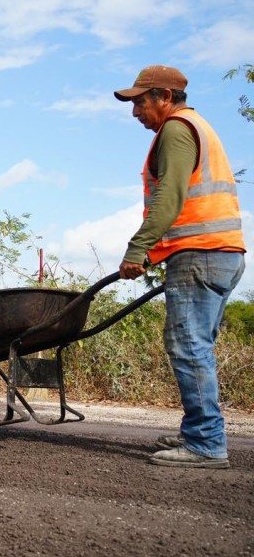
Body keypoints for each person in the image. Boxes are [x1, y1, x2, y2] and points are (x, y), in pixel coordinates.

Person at [114, 65, 246, 469]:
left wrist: (138, 250)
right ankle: (199, 432)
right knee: (195, 346)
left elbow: (169, 199)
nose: (135, 111)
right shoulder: (197, 127)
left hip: (200, 253)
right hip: (220, 252)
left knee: (188, 346)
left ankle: (206, 442)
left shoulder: (176, 130)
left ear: (165, 97)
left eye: (140, 101)